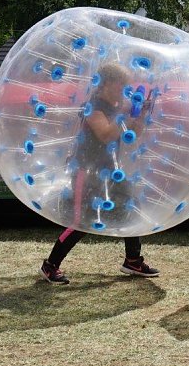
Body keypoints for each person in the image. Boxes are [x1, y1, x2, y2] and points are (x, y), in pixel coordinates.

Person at [40, 62, 159, 284]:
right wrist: (125, 113)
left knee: (131, 206)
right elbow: (105, 134)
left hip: (111, 171)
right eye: (120, 84)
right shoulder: (94, 106)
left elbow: (133, 134)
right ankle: (50, 265)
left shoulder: (115, 107)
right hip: (87, 171)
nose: (124, 89)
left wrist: (141, 113)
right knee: (82, 221)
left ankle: (132, 260)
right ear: (106, 83)